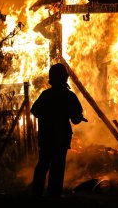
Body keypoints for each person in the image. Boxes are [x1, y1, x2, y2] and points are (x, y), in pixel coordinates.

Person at [31, 63, 87, 198]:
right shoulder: (69, 96)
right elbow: (75, 119)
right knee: (57, 166)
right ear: (65, 78)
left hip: (46, 137)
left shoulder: (45, 95)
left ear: (51, 78)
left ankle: (36, 193)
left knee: (43, 164)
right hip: (61, 138)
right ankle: (54, 195)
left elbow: (35, 111)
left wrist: (48, 115)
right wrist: (77, 117)